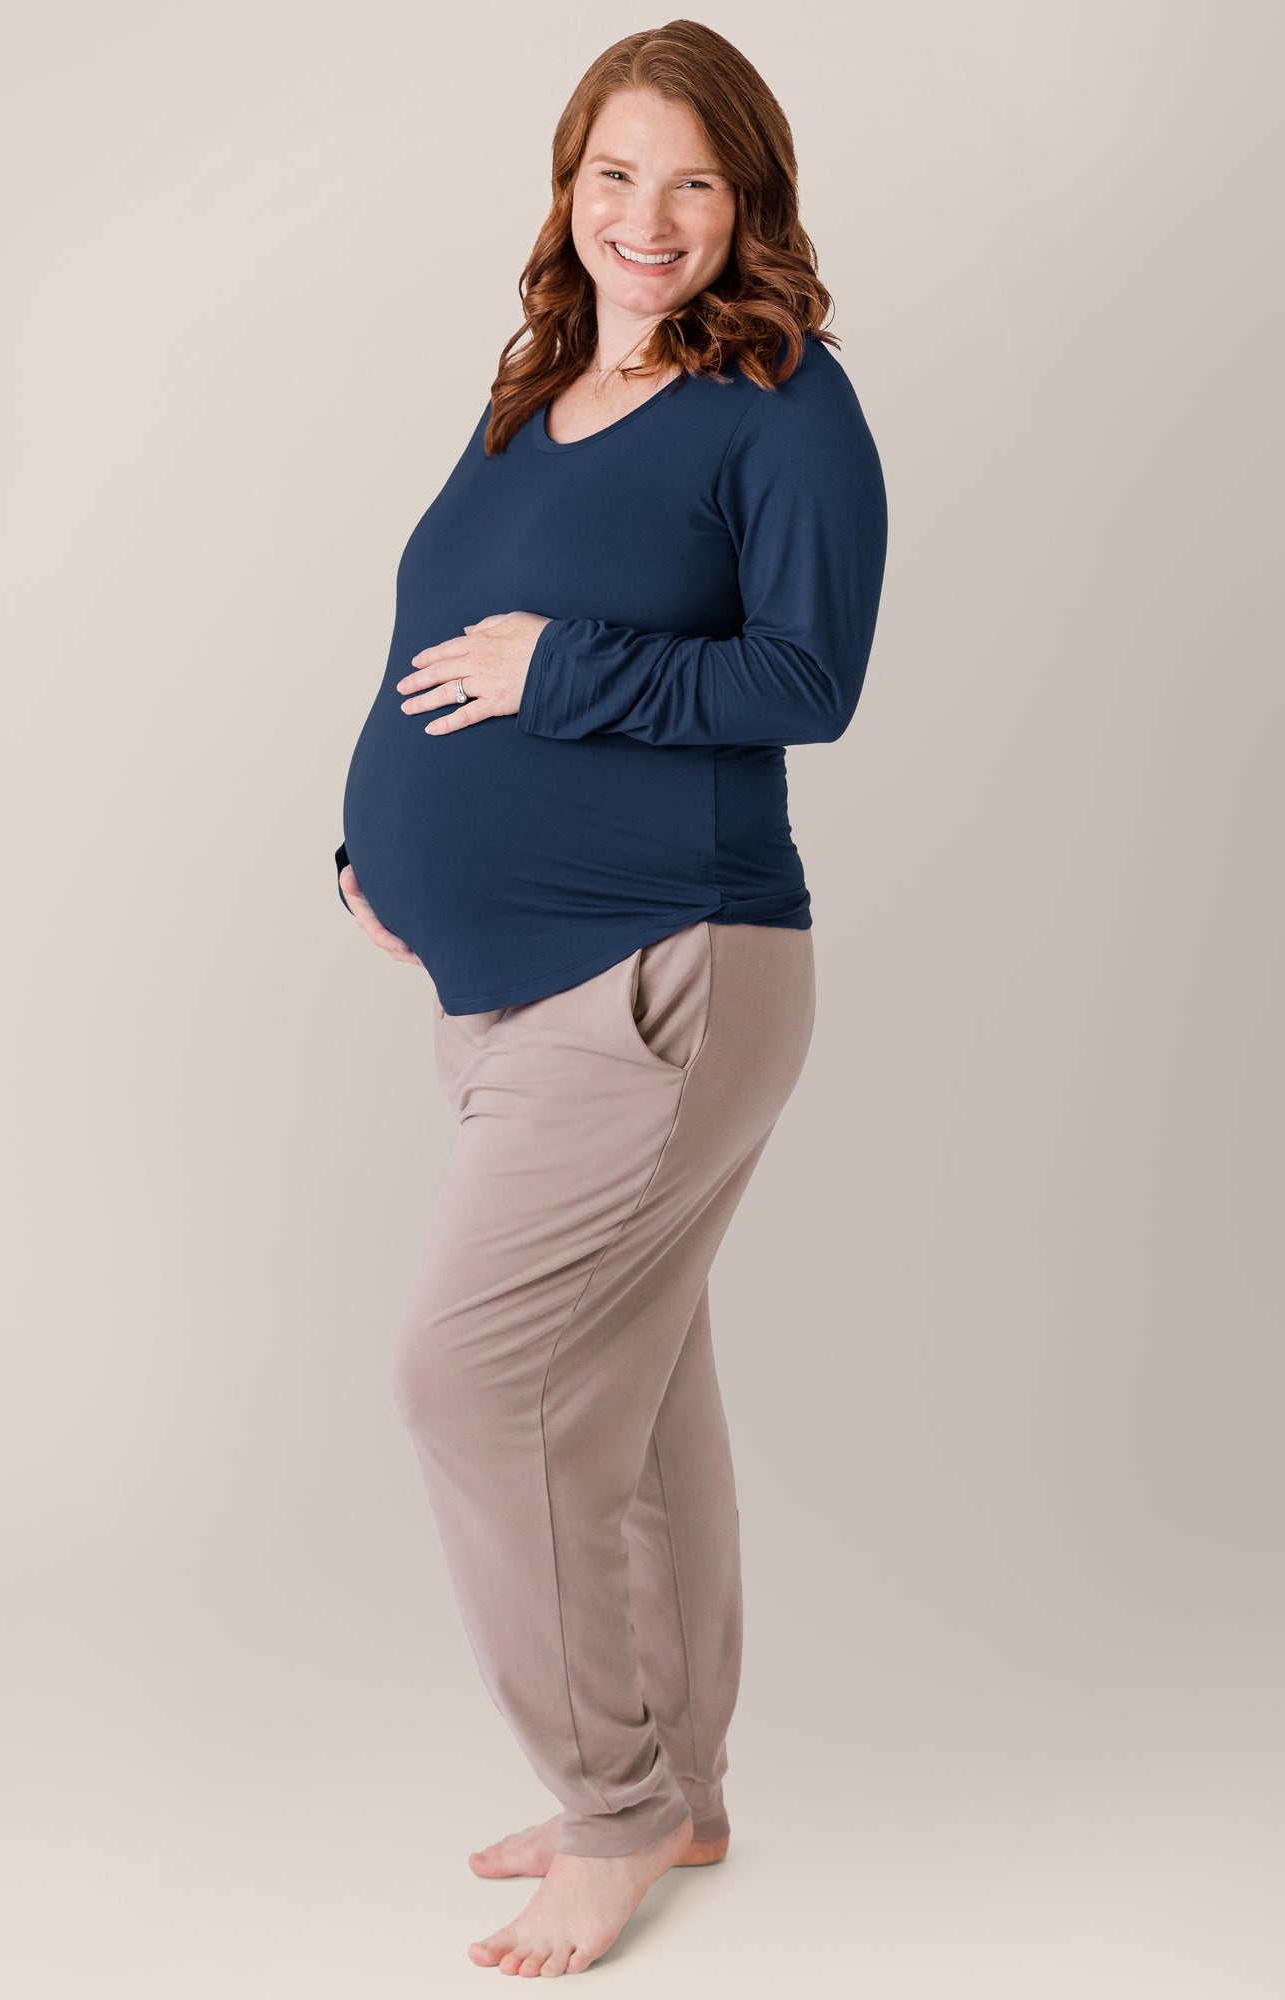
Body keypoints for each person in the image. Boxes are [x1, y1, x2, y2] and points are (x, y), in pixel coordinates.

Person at [331, 22, 887, 1977]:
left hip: (669, 963)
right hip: (498, 984)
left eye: (693, 182)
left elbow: (808, 678)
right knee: (628, 1396)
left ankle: (616, 1807)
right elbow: (429, 633)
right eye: (613, 174)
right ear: (568, 188)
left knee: (474, 1378)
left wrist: (563, 673)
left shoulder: (782, 407)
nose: (647, 217)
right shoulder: (530, 392)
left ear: (749, 206)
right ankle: (686, 1786)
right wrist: (365, 834)